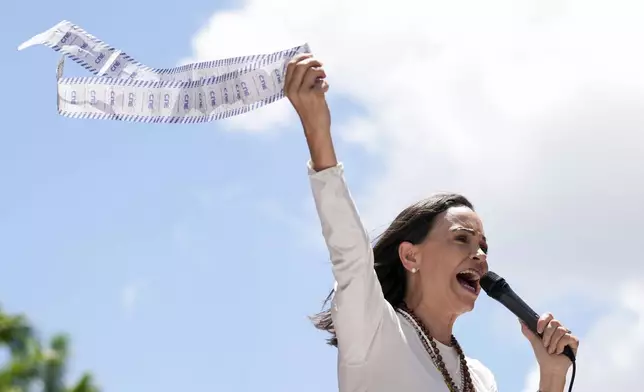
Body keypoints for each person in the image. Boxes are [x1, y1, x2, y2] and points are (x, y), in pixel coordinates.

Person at [284, 53, 580, 392]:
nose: (480, 256)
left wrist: (553, 374)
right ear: (411, 256)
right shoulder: (374, 330)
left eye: (483, 247)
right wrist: (317, 127)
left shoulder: (481, 378)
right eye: (462, 239)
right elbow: (350, 253)